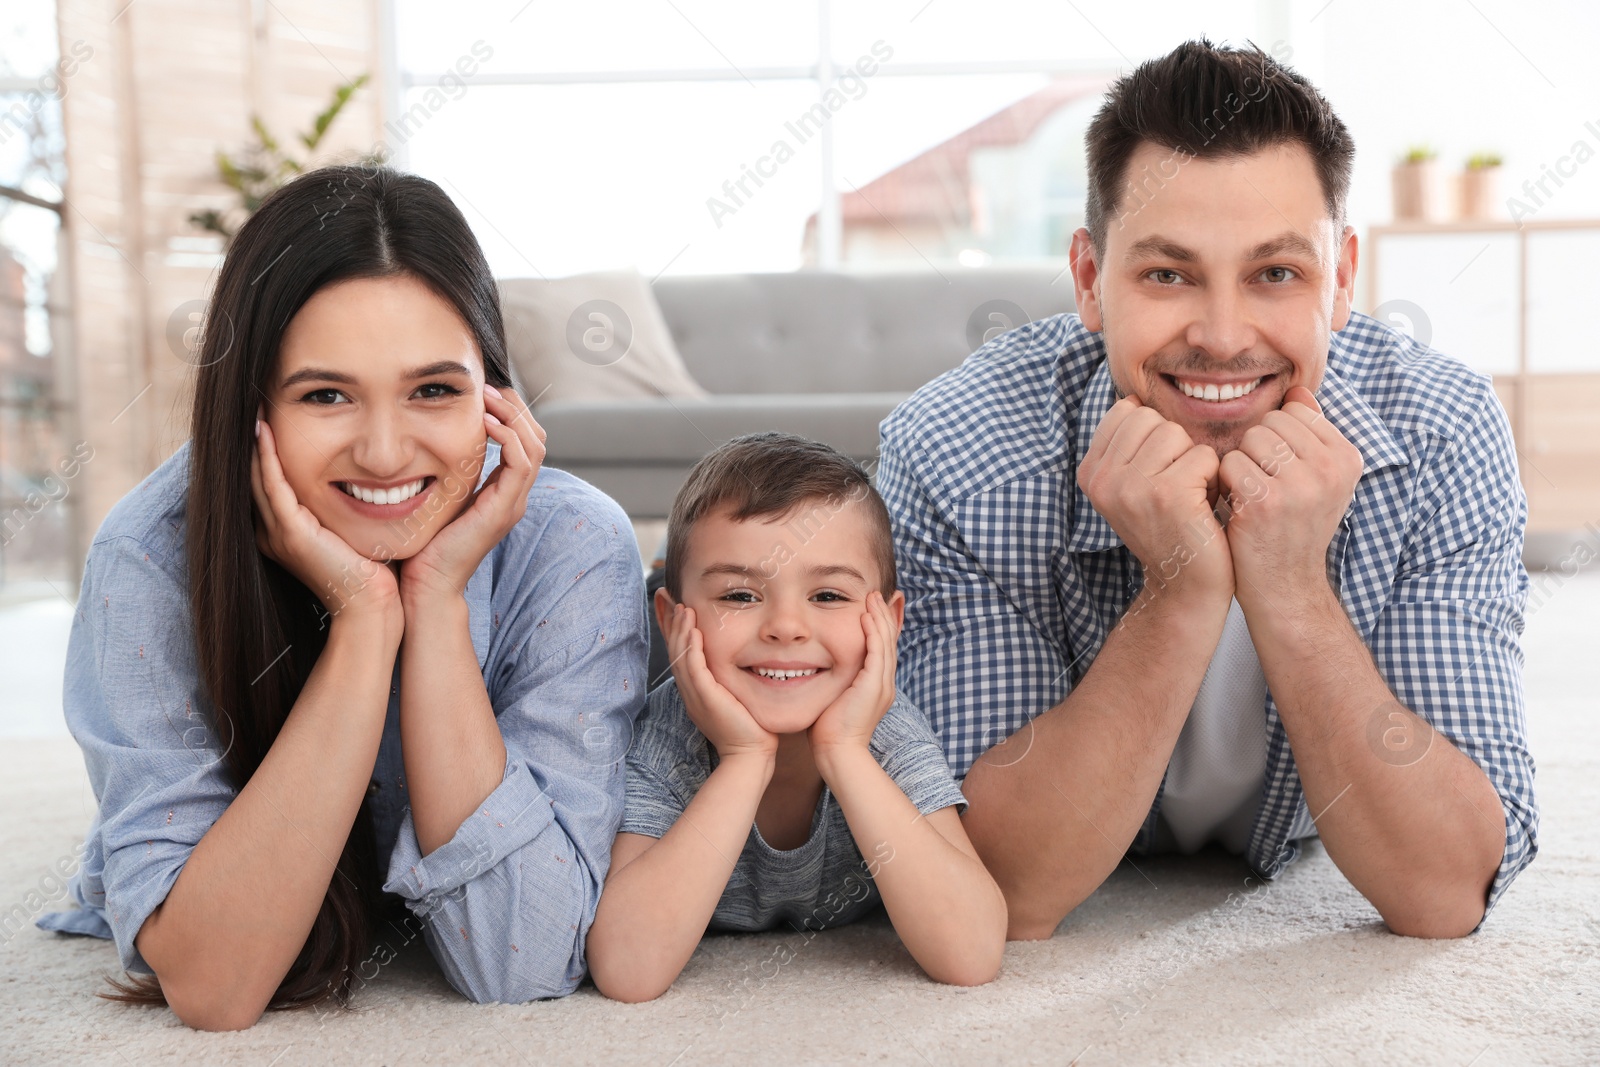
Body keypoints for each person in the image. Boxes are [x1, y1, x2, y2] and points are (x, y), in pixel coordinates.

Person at [877, 39, 1537, 941]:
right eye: (1167, 273)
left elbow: (1447, 887)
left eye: (1275, 273)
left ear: (1341, 279)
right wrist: (1180, 587)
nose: (1224, 337)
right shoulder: (958, 446)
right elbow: (998, 888)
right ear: (1088, 280)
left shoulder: (1443, 431)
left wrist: (1295, 587)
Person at [36, 165, 648, 1028]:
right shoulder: (150, 555)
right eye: (326, 394)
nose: (387, 451)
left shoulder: (574, 544)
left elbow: (524, 953)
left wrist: (436, 598)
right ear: (252, 408)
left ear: (494, 397)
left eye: (434, 389)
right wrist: (366, 622)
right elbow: (214, 984)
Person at [585, 433, 1006, 1002]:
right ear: (671, 619)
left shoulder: (884, 730)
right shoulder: (664, 737)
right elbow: (627, 970)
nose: (786, 626)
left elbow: (973, 953)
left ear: (887, 620)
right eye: (739, 596)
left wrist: (846, 751)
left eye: (828, 596)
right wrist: (743, 759)